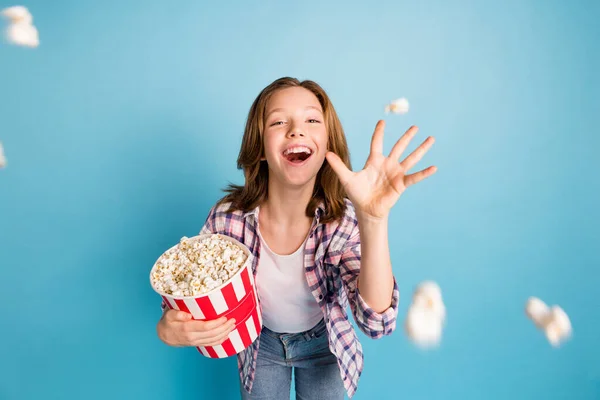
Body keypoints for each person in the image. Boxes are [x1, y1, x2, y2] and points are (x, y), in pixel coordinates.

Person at [156, 77, 437, 399]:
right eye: (278, 121)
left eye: (312, 119)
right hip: (259, 344)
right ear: (259, 148)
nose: (295, 130)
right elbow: (188, 293)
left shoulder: (343, 221)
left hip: (325, 345)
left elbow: (376, 321)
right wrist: (169, 327)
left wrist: (373, 219)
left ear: (327, 145)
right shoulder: (227, 217)